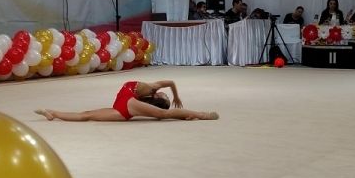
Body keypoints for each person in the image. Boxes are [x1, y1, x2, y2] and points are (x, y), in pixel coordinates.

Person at [35, 80, 219, 121]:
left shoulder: (150, 89)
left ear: (157, 96)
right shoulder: (147, 89)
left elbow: (168, 83)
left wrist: (175, 97)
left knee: (163, 114)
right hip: (122, 107)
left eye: (166, 96)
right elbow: (170, 83)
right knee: (86, 115)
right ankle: (52, 113)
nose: (165, 93)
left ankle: (202, 114)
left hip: (124, 108)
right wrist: (176, 96)